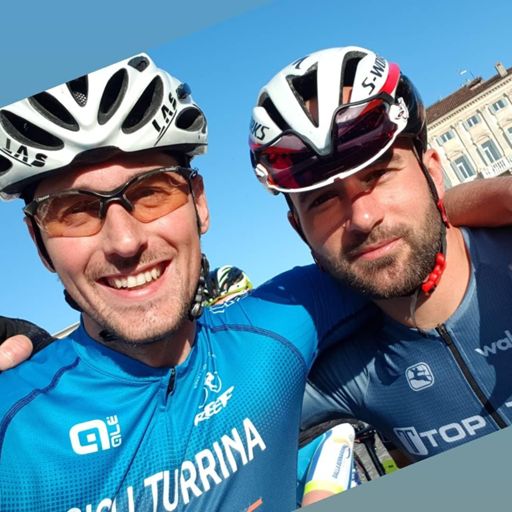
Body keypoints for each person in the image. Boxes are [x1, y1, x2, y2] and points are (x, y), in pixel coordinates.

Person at [0, 52, 378, 512]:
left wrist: (460, 200)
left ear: (199, 204)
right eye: (73, 212)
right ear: (39, 244)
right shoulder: (12, 425)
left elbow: (414, 244)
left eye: (151, 192)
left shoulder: (283, 320)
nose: (125, 242)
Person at [248, 45, 512, 468]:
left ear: (433, 172)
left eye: (378, 174)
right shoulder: (338, 368)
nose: (363, 217)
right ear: (300, 230)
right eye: (323, 200)